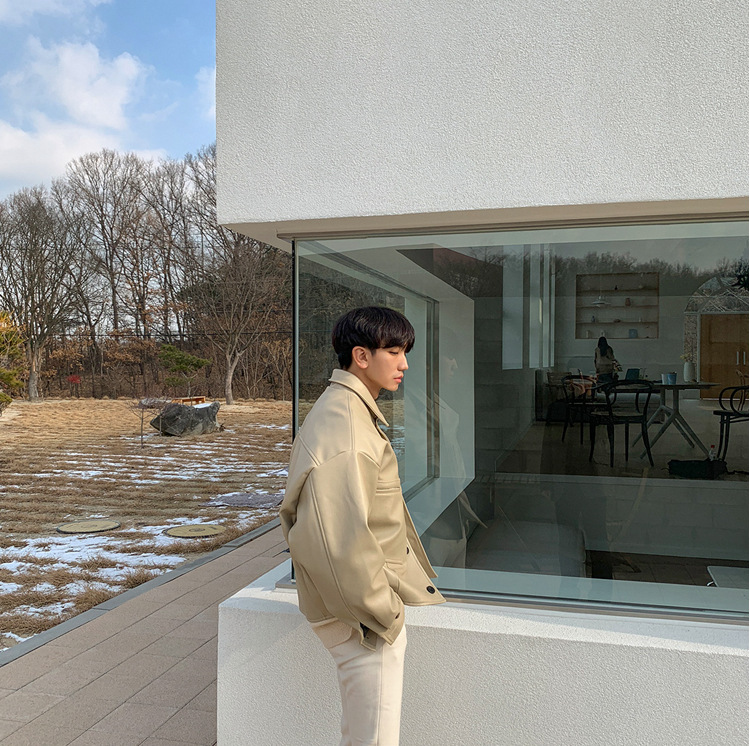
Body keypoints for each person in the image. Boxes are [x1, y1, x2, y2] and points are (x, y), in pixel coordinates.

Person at [280, 306, 445, 746]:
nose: (404, 364)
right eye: (394, 351)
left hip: (360, 612)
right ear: (361, 356)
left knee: (362, 735)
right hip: (362, 621)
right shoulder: (349, 429)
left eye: (405, 352)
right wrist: (382, 615)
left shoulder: (345, 409)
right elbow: (338, 542)